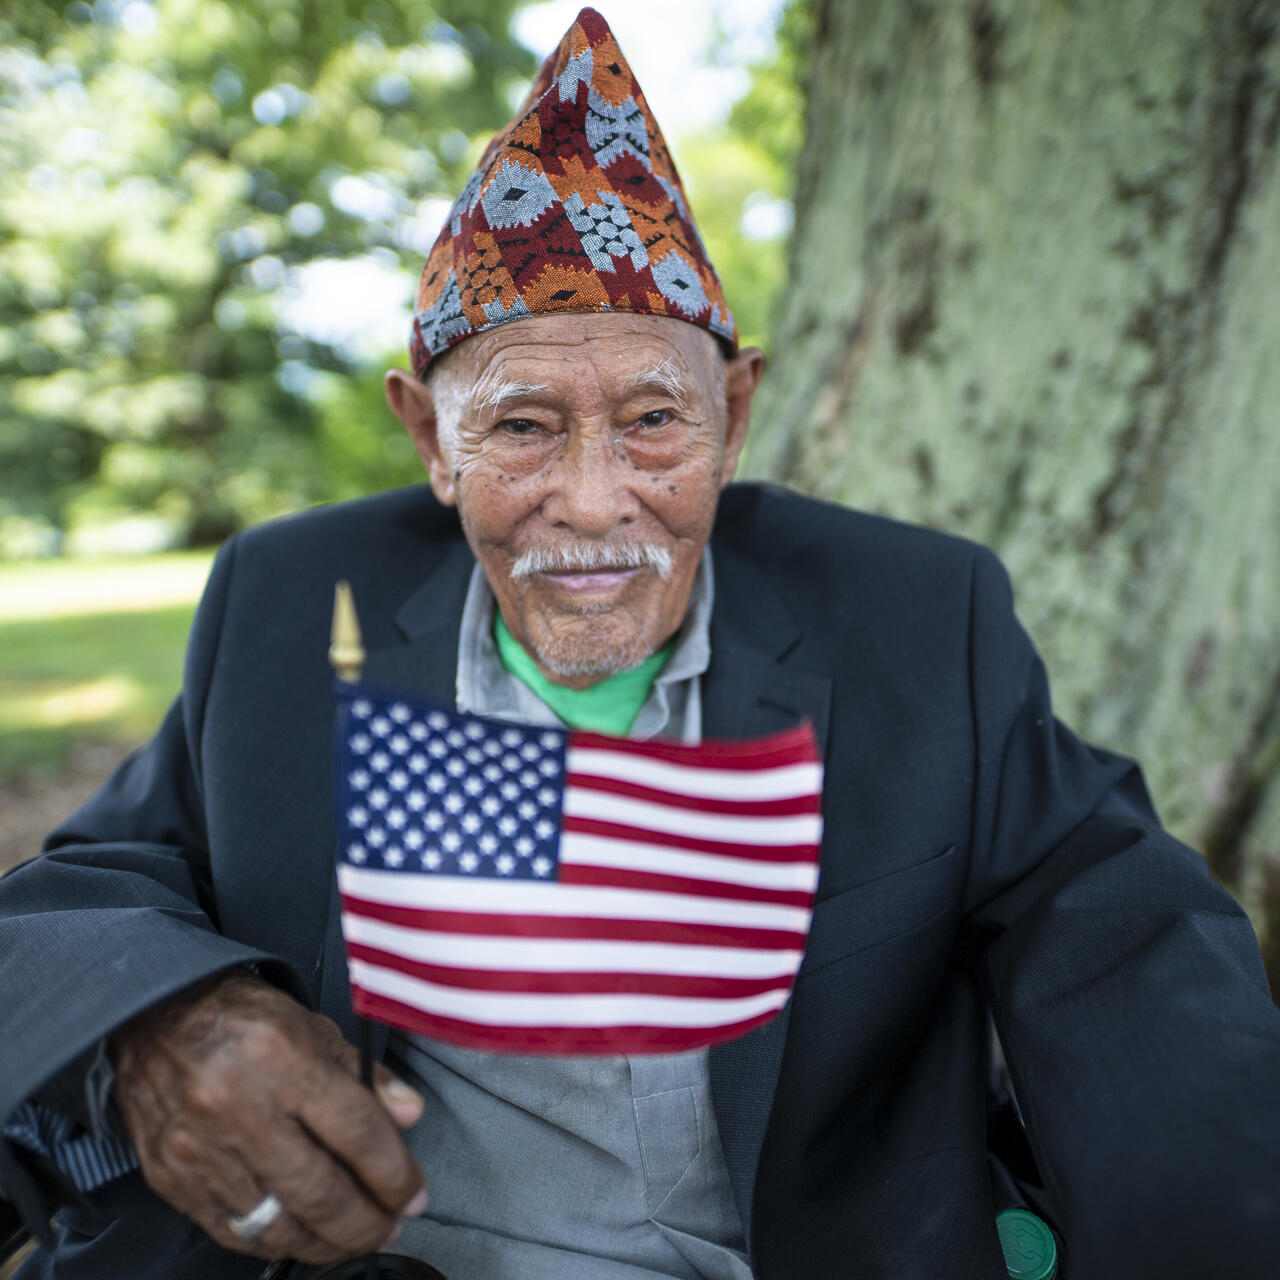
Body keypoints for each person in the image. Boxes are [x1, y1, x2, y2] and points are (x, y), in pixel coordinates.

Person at [2, 8, 1278, 1279]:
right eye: (520, 428)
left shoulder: (913, 616)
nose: (596, 499)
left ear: (733, 411)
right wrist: (166, 1021)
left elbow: (1124, 939)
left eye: (653, 417)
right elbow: (80, 892)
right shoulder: (291, 599)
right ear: (425, 441)